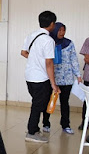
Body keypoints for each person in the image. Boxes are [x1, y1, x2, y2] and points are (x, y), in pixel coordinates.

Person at [21, 11, 60, 143]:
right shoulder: (48, 40)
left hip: (29, 76)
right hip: (41, 78)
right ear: (52, 24)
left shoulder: (31, 35)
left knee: (37, 103)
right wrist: (54, 83)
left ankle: (34, 128)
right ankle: (31, 132)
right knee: (38, 105)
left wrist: (34, 59)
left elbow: (23, 52)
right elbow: (49, 63)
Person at [47, 22, 82, 134]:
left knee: (65, 102)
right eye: (60, 30)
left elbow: (74, 60)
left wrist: (78, 75)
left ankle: (65, 125)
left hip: (67, 79)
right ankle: (46, 123)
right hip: (52, 77)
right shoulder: (48, 42)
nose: (62, 32)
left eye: (64, 30)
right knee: (48, 101)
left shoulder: (69, 43)